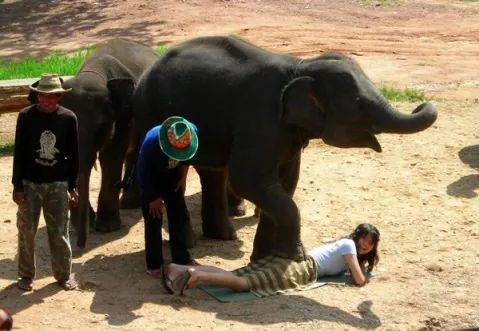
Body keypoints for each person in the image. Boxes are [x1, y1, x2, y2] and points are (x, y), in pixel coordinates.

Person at [166, 223, 380, 296]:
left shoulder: (347, 245)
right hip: (302, 269)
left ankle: (178, 268)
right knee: (246, 285)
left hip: (297, 262)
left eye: (370, 243)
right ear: (357, 236)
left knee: (238, 274)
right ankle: (197, 275)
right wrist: (363, 269)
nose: (365, 245)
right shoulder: (349, 246)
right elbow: (359, 279)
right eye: (364, 239)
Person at [12, 73, 79, 291]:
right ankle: (25, 275)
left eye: (50, 97)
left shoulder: (68, 119)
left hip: (57, 184)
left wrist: (73, 186)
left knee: (59, 232)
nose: (45, 101)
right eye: (41, 96)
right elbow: (19, 153)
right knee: (26, 231)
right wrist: (17, 186)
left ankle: (63, 274)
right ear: (37, 95)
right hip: (30, 183)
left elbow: (73, 155)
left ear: (59, 96)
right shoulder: (26, 116)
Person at [136, 116, 199, 291]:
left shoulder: (191, 132)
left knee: (178, 215)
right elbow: (143, 173)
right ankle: (154, 264)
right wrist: (152, 198)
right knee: (153, 220)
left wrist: (183, 178)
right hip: (152, 179)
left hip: (173, 176)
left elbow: (187, 159)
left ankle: (181, 258)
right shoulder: (151, 144)